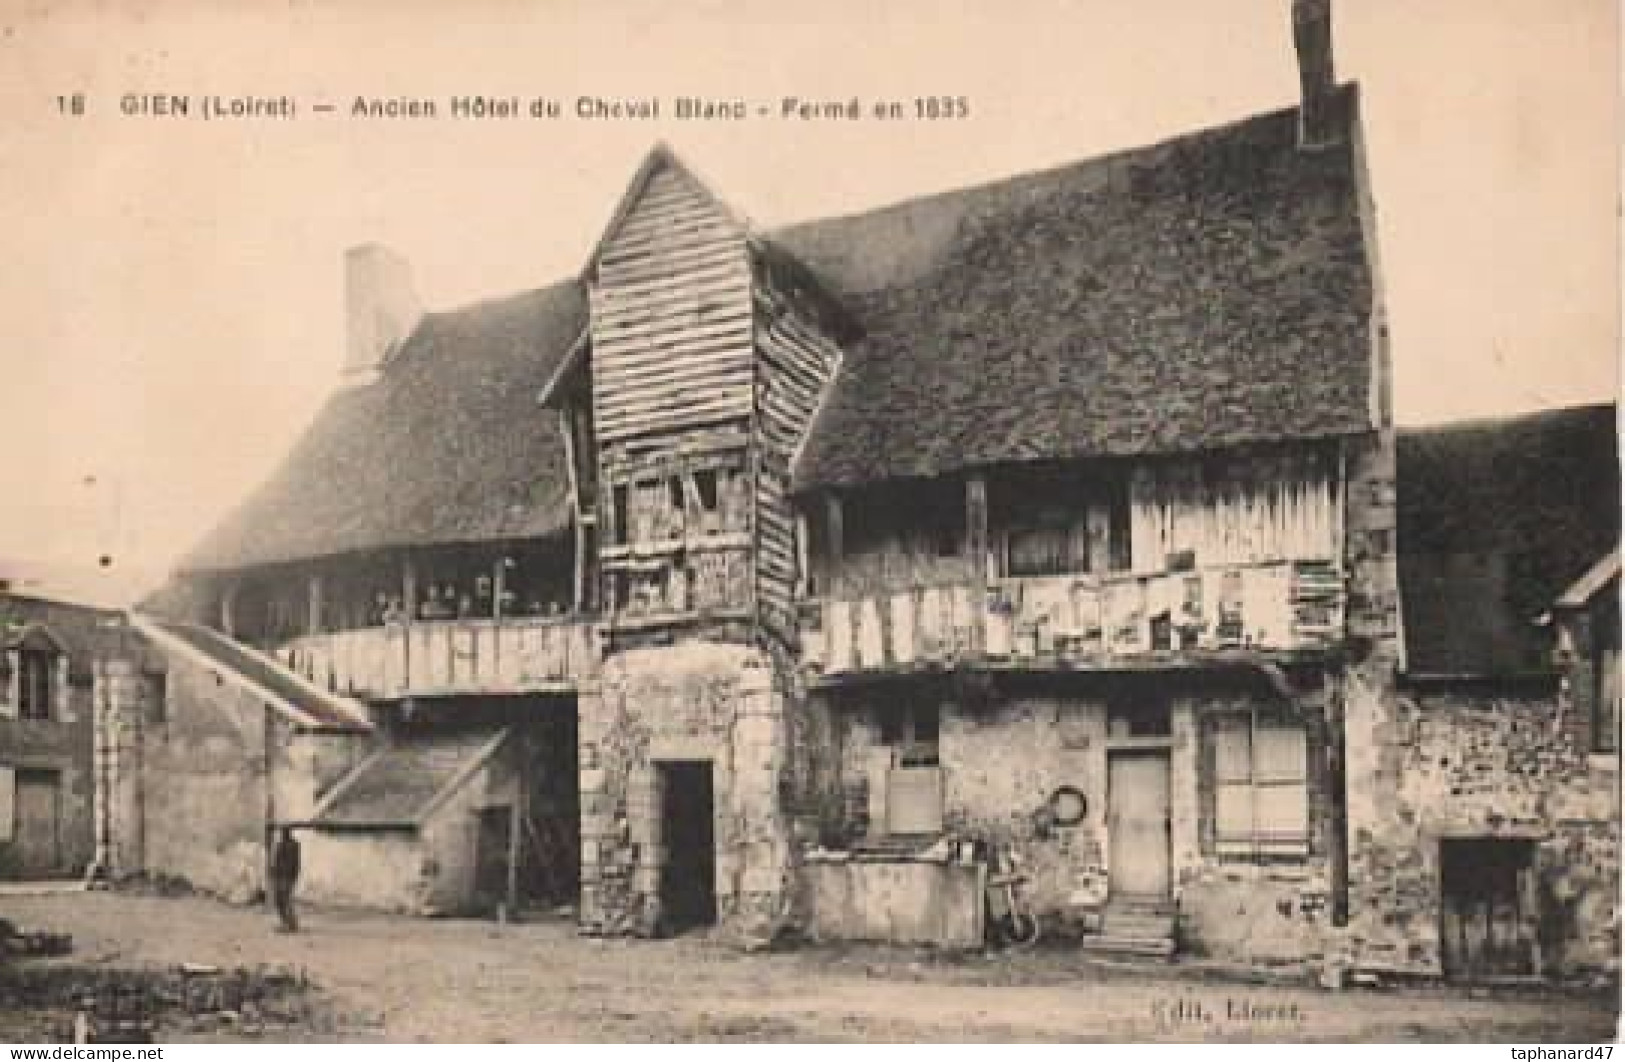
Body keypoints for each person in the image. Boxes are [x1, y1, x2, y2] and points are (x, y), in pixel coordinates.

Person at [270, 826, 302, 932]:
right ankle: (288, 923)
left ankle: (290, 924)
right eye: (283, 832)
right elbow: (276, 861)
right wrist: (274, 873)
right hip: (281, 876)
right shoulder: (282, 845)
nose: (284, 834)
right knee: (280, 900)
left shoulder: (293, 845)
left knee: (285, 900)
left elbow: (296, 862)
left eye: (285, 832)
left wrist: (294, 876)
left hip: (287, 876)